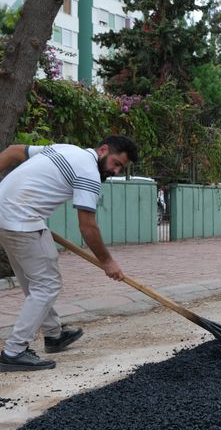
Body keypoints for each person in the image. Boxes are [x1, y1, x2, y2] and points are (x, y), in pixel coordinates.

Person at [0, 136, 138, 372]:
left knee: (34, 282)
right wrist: (107, 261)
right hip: (21, 218)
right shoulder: (89, 173)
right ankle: (14, 352)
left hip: (7, 213)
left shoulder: (66, 149)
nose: (114, 171)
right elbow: (87, 227)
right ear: (103, 149)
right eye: (115, 163)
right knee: (46, 285)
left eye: (119, 168)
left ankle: (54, 335)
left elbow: (13, 151)